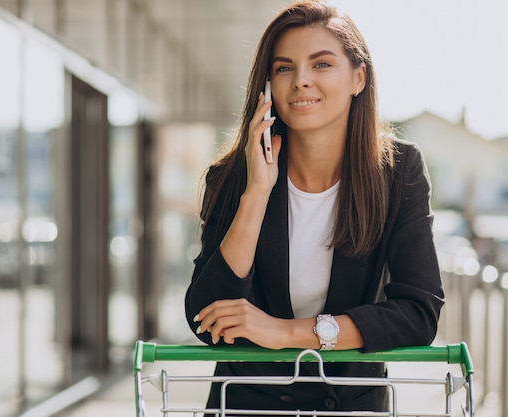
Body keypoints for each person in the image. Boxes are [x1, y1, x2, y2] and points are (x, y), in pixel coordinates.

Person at [184, 0, 445, 413]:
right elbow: (206, 318)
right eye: (284, 67)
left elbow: (418, 312)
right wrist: (256, 193)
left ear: (359, 77)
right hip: (247, 406)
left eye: (321, 64)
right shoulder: (233, 176)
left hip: (352, 405)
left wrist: (287, 333)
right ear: (267, 85)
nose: (301, 80)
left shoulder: (398, 171)